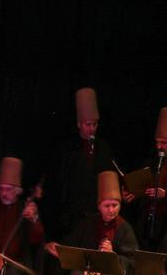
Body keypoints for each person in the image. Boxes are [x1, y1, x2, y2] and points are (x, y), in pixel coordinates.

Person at [50, 171, 138, 275]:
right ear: (99, 205)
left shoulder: (125, 228)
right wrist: (59, 248)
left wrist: (113, 255)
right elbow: (73, 245)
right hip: (86, 270)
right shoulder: (89, 222)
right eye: (107, 206)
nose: (112, 210)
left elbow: (132, 261)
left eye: (115, 205)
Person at [43, 87, 115, 243]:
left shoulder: (103, 148)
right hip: (72, 215)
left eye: (95, 124)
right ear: (79, 124)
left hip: (95, 212)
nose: (92, 129)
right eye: (88, 124)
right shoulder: (68, 149)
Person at [123, 107, 167, 249]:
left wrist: (165, 195)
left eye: (164, 143)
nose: (159, 146)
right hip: (145, 225)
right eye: (157, 142)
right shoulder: (150, 162)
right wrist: (132, 195)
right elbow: (141, 189)